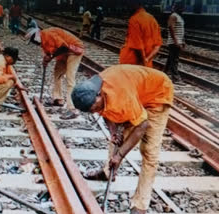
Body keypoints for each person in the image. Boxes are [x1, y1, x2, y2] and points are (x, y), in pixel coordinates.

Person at [71, 64, 174, 214]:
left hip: (158, 94)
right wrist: (113, 130)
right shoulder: (96, 88)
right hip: (136, 93)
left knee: (149, 151)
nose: (95, 112)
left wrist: (119, 156)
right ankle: (108, 172)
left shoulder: (120, 96)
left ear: (99, 95)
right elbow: (105, 111)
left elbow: (142, 125)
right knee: (118, 139)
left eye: (95, 109)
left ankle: (140, 204)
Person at [25, 27, 84, 119]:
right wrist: (46, 59)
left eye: (32, 40)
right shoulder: (43, 41)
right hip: (64, 53)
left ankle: (73, 109)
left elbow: (63, 47)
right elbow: (49, 52)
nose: (34, 43)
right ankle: (58, 99)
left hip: (74, 49)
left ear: (35, 36)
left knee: (70, 77)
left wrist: (51, 56)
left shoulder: (48, 34)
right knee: (57, 74)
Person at [119, 0, 162, 68]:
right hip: (147, 64)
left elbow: (138, 46)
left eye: (129, 3)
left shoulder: (134, 19)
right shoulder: (152, 19)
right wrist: (147, 59)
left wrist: (143, 62)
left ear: (136, 3)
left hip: (132, 64)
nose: (127, 6)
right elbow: (157, 46)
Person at [164, 0, 185, 85]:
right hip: (174, 42)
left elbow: (180, 30)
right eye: (182, 7)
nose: (184, 9)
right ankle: (176, 79)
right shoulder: (173, 16)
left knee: (170, 60)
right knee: (174, 60)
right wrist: (176, 41)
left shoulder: (179, 16)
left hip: (177, 41)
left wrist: (183, 40)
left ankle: (163, 74)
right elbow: (171, 28)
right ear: (178, 7)